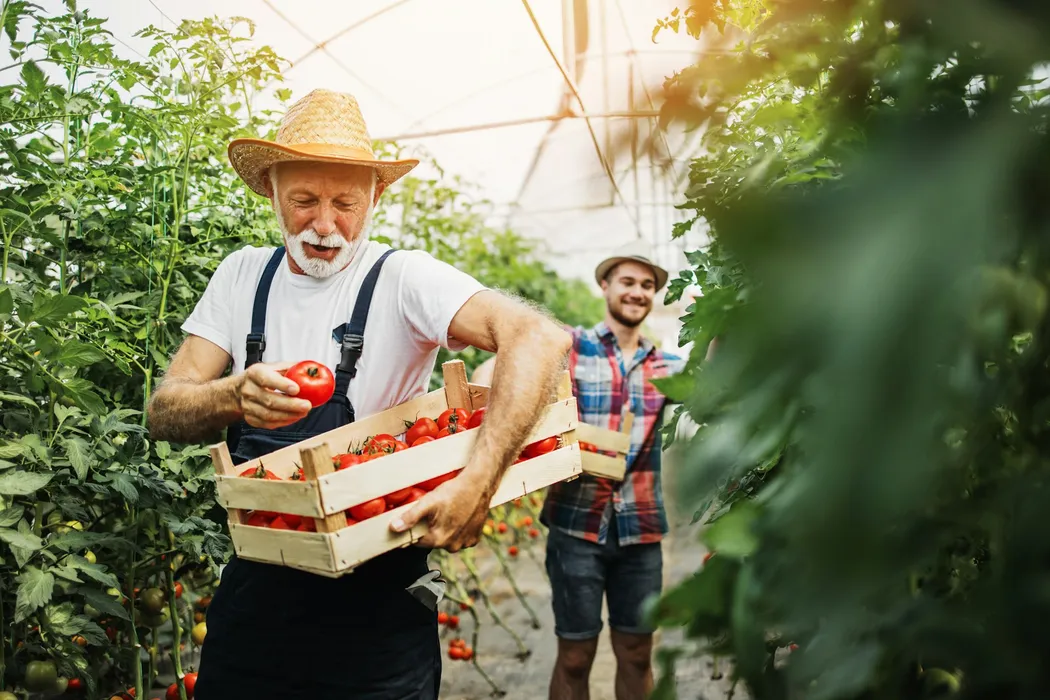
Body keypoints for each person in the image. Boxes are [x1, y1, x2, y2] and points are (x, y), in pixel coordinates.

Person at [146, 88, 571, 700]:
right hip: (259, 586)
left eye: (345, 203)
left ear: (376, 196)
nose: (324, 225)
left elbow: (537, 337)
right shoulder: (242, 275)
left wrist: (478, 483)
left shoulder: (402, 279)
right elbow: (164, 411)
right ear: (271, 192)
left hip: (380, 596)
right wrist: (230, 396)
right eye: (303, 201)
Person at [473, 240, 685, 700]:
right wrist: (479, 401)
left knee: (635, 651)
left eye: (647, 286)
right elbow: (505, 364)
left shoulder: (667, 366)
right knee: (574, 655)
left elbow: (719, 385)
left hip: (641, 532)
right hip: (575, 527)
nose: (637, 292)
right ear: (605, 285)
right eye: (628, 281)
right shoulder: (571, 346)